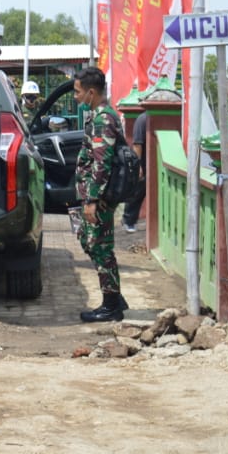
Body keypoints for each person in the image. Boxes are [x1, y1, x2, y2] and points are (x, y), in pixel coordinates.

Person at [73, 66, 127, 321]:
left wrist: (92, 200)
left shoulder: (103, 119)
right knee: (89, 241)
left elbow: (101, 163)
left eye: (77, 91)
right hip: (94, 195)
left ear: (91, 92)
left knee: (100, 247)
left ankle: (111, 305)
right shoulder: (98, 116)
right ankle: (114, 295)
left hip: (101, 197)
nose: (75, 96)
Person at [122, 111, 148, 233]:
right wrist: (138, 166)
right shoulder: (142, 119)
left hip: (153, 164)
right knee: (136, 193)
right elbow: (137, 144)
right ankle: (128, 220)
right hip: (143, 163)